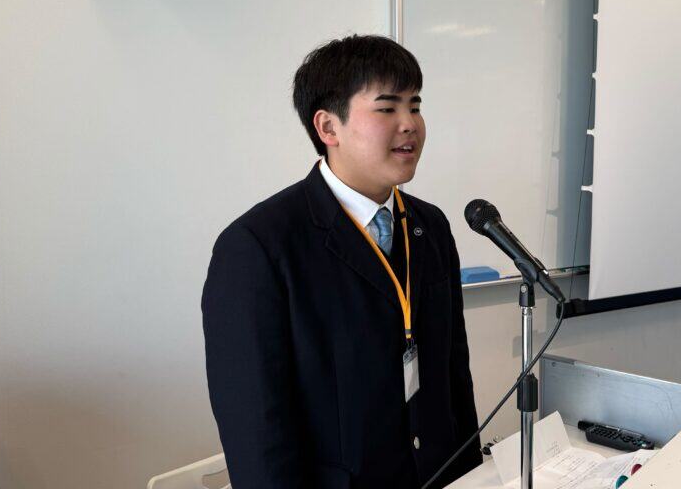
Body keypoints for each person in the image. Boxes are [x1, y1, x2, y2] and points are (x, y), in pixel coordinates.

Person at [202, 34, 483, 488]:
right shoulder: (258, 247)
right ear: (328, 128)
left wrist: (470, 477)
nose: (410, 124)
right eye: (387, 108)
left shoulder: (430, 226)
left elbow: (454, 375)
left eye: (415, 106)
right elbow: (256, 432)